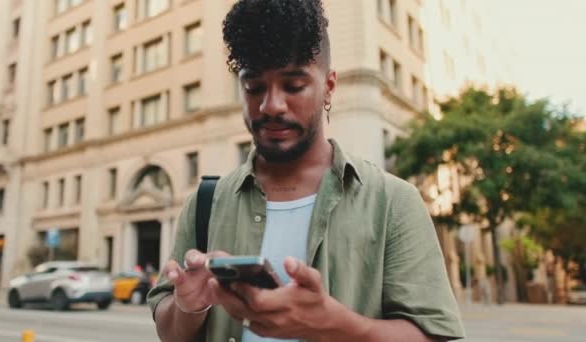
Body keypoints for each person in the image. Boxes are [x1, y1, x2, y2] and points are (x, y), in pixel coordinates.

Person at [147, 1, 465, 341]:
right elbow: (170, 332)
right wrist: (189, 305)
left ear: (328, 86)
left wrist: (334, 324)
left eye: (293, 86)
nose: (271, 105)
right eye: (254, 88)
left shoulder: (393, 202)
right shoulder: (206, 204)